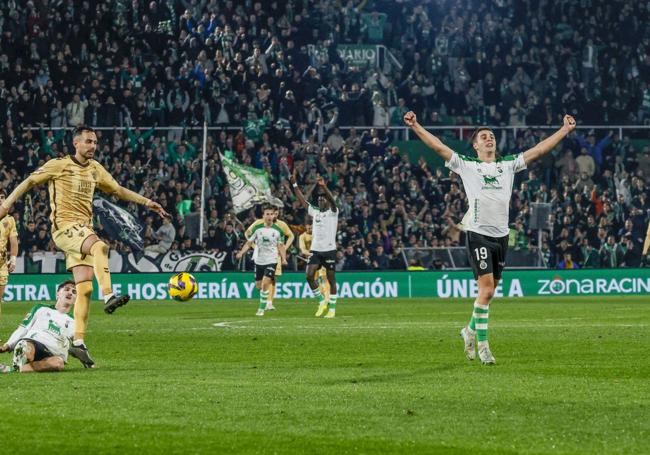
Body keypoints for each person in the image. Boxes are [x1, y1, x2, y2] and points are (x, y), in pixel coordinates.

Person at [404, 110, 576, 364]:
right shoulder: (467, 164)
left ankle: (469, 330)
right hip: (478, 234)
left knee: (491, 291)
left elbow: (538, 150)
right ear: (475, 145)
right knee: (485, 291)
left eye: (492, 136)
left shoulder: (507, 165)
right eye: (483, 137)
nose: (489, 139)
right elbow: (438, 146)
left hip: (501, 236)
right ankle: (484, 347)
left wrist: (564, 130)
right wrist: (416, 126)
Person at [0, 126, 170, 368]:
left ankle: (78, 341)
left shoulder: (95, 169)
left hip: (80, 231)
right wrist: (6, 206)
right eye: (88, 141)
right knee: (100, 247)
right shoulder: (59, 164)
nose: (93, 146)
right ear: (76, 143)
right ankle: (110, 294)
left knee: (85, 289)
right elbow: (29, 181)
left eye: (95, 142)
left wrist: (148, 202)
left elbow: (118, 190)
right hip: (65, 229)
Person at [290, 174, 339, 318]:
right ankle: (322, 301)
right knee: (309, 276)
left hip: (329, 250)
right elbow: (302, 201)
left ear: (328, 201)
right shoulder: (315, 212)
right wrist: (294, 185)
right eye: (319, 199)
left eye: (322, 198)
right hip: (316, 250)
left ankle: (332, 309)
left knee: (331, 279)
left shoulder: (333, 212)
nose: (320, 200)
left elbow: (331, 199)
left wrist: (323, 186)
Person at [0, 280, 77, 373]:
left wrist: (89, 363)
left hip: (52, 353)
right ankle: (20, 366)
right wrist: (7, 345)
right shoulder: (40, 308)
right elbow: (23, 328)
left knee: (58, 363)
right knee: (24, 347)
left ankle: (11, 370)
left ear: (76, 300)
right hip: (33, 343)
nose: (70, 293)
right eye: (67, 289)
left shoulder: (75, 322)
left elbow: (78, 346)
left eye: (74, 292)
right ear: (58, 294)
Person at [235, 205, 288, 316]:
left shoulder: (278, 231)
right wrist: (241, 253)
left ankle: (261, 309)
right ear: (263, 216)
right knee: (259, 286)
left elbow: (281, 246)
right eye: (267, 214)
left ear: (274, 215)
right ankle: (265, 299)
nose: (269, 216)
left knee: (265, 283)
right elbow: (249, 242)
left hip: (272, 260)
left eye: (271, 214)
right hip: (259, 260)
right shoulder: (257, 228)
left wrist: (283, 259)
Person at [298, 221, 330, 302]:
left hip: (321, 258)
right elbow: (303, 249)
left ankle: (327, 297)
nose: (310, 228)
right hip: (311, 261)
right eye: (308, 227)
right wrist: (311, 255)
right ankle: (322, 298)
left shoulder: (318, 235)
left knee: (323, 277)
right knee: (314, 280)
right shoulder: (302, 236)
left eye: (311, 227)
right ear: (305, 226)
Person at [0, 190, 18, 319]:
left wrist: (13, 259)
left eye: (2, 197)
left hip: (1, 264)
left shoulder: (10, 220)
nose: (0, 200)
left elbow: (13, 241)